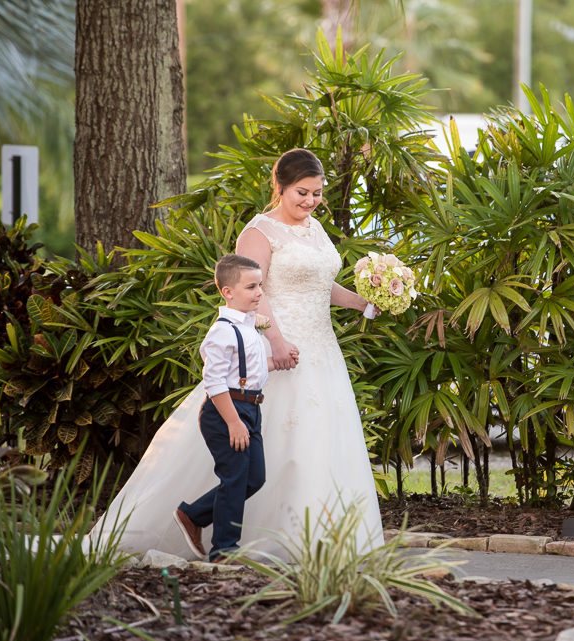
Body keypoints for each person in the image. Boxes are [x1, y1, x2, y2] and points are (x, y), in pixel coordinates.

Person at [95, 149, 384, 560]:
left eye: (318, 193)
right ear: (280, 186)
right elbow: (254, 293)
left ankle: (319, 540)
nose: (311, 201)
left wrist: (362, 303)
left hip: (322, 349)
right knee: (264, 447)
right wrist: (277, 340)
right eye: (303, 192)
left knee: (321, 441)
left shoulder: (316, 229)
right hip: (272, 349)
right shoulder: (259, 232)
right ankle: (225, 534)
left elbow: (321, 286)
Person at [173, 254, 276, 563]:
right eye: (250, 287)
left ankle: (193, 514)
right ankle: (224, 550)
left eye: (260, 285)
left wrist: (277, 363)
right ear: (228, 292)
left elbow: (248, 370)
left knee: (253, 478)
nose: (259, 292)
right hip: (225, 413)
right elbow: (215, 380)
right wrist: (233, 422)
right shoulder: (222, 331)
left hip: (250, 410)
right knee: (234, 478)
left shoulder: (249, 326)